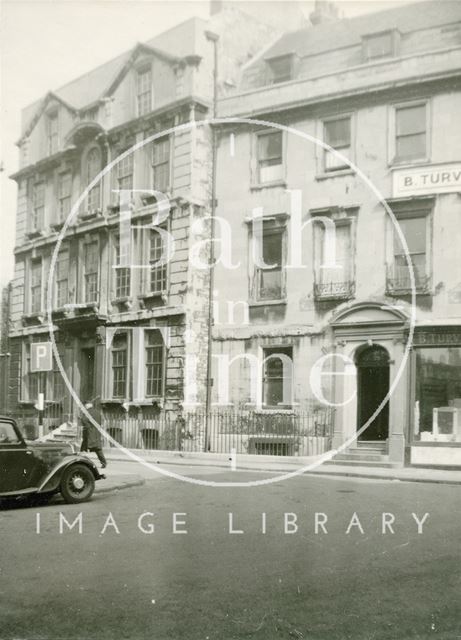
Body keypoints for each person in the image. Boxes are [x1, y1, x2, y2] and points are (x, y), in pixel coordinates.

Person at [80, 398, 107, 468]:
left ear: (86, 405)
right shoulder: (97, 412)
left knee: (83, 450)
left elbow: (84, 420)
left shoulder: (87, 412)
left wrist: (88, 426)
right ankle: (104, 462)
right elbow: (101, 422)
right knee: (98, 449)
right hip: (96, 433)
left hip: (88, 434)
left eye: (84, 405)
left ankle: (82, 463)